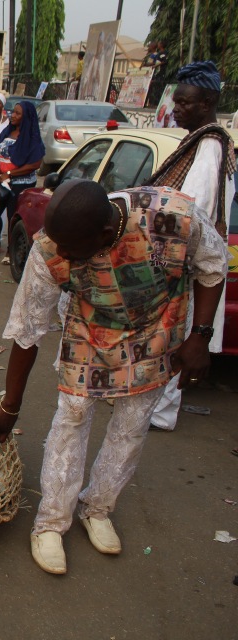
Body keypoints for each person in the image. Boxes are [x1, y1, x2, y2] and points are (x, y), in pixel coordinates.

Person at [0, 180, 228, 575]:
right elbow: (28, 328)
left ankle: (97, 507)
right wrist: (10, 406)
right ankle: (51, 522)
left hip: (156, 328)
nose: (60, 252)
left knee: (132, 424)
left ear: (103, 234)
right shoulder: (51, 246)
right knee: (74, 414)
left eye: (70, 248)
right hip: (91, 326)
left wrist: (200, 336)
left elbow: (213, 266)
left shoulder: (175, 217)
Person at [146, 61, 237, 432]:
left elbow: (189, 209)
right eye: (176, 101)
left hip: (183, 262)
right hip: (184, 260)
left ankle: (160, 412)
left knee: (175, 333)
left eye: (185, 103)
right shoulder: (201, 141)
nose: (177, 109)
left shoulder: (209, 146)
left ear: (209, 101)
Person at [0, 101, 44, 252]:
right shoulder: (7, 131)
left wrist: (9, 174)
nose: (12, 115)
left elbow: (35, 164)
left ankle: (12, 250)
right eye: (12, 112)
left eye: (17, 113)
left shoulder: (31, 137)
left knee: (12, 216)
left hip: (20, 183)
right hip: (2, 180)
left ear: (26, 117)